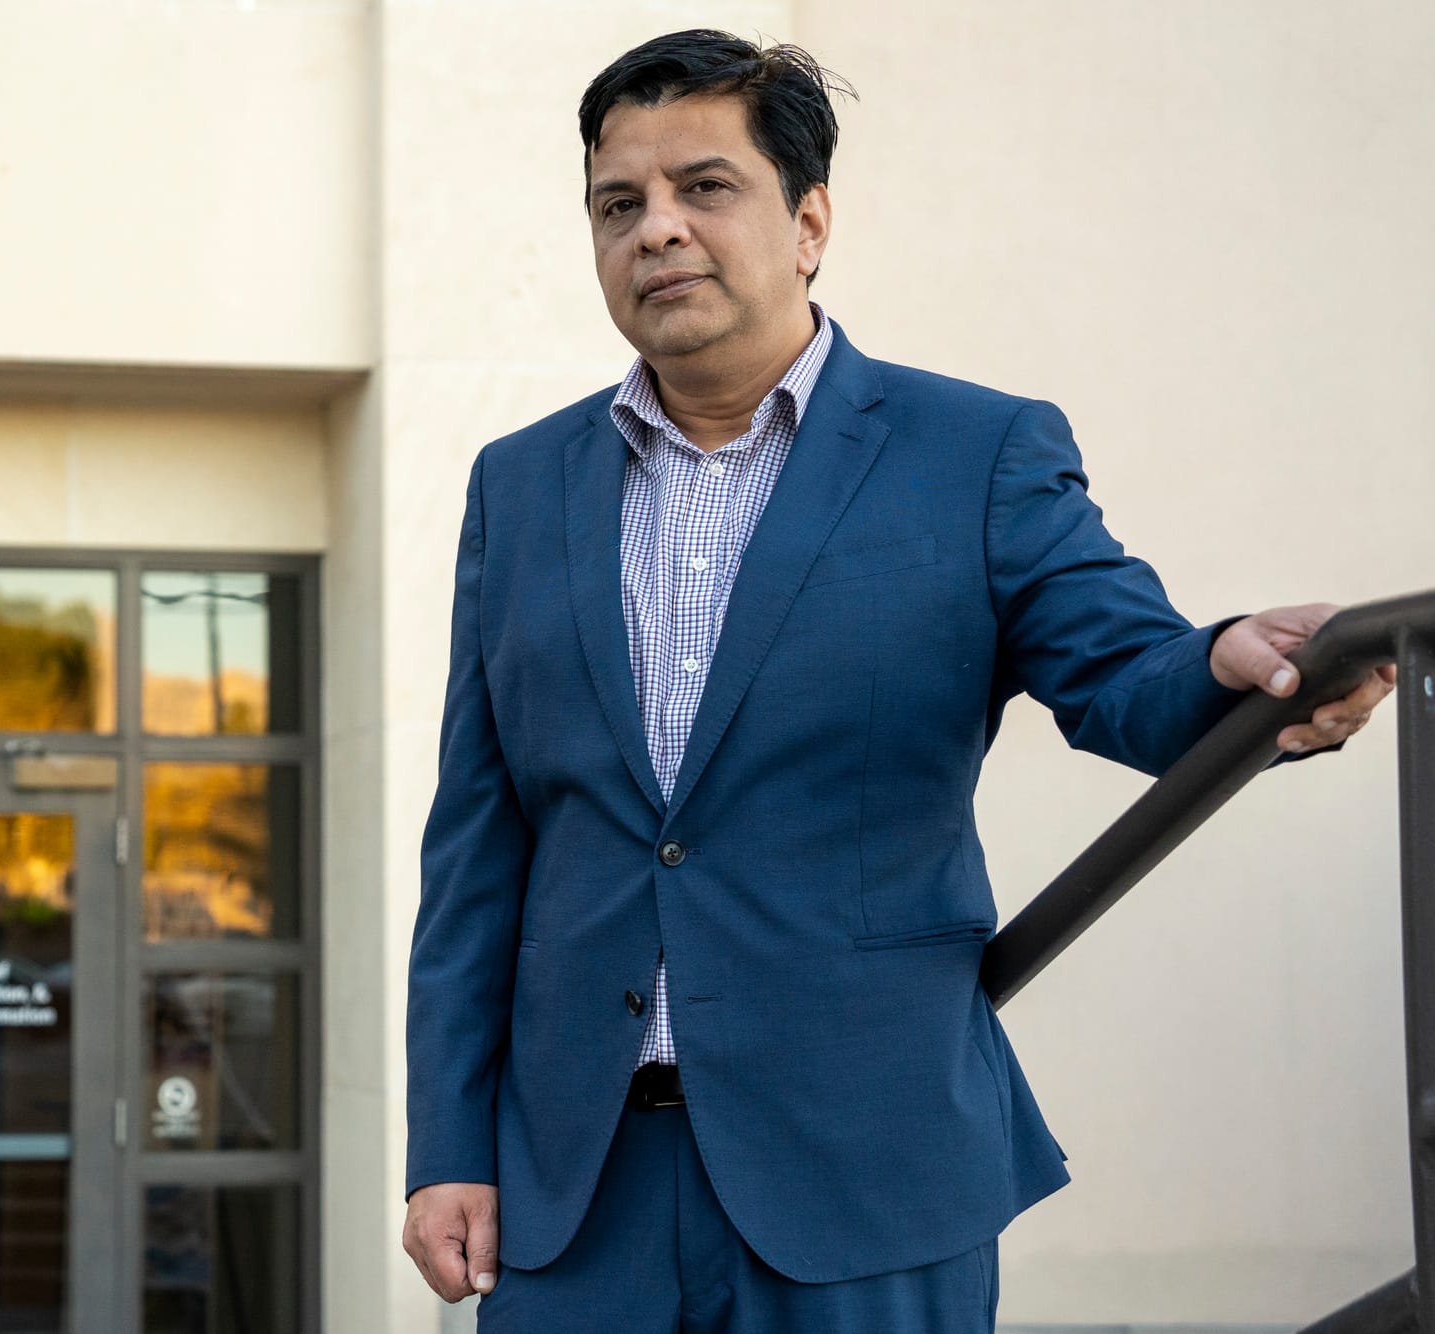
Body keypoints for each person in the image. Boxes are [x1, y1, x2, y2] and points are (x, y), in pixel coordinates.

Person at [400, 29, 1396, 1334]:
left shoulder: (973, 453)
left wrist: (1236, 674)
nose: (657, 231)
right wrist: (445, 1142)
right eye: (617, 203)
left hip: (867, 1176)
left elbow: (1122, 668)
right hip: (581, 1199)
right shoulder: (518, 488)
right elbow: (481, 849)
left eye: (706, 187)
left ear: (809, 220)